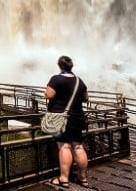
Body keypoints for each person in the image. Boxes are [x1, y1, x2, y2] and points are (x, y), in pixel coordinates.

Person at [45, 55, 89, 189]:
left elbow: (49, 95)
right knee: (78, 147)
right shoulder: (79, 81)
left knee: (64, 146)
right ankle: (83, 178)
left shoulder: (56, 79)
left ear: (60, 65)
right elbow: (85, 98)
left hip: (61, 119)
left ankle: (63, 178)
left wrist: (47, 90)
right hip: (77, 117)